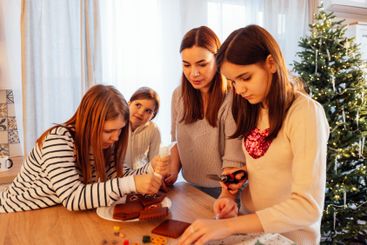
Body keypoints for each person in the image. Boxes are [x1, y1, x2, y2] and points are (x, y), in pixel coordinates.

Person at [178, 25, 329, 245]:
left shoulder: (305, 112)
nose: (239, 90)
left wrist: (227, 226)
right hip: (251, 230)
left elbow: (308, 207)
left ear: (271, 63)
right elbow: (250, 163)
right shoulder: (251, 106)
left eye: (245, 78)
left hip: (290, 238)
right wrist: (228, 195)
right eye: (233, 82)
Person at [0, 84, 168, 213]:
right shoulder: (59, 140)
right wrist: (131, 183)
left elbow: (121, 175)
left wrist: (152, 166)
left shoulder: (105, 145)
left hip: (52, 213)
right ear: (90, 124)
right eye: (109, 131)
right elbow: (73, 197)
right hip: (15, 213)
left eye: (120, 130)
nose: (116, 137)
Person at [165, 26, 245, 198]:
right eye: (186, 65)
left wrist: (227, 198)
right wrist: (171, 173)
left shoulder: (234, 98)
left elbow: (234, 159)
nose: (193, 73)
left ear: (217, 60)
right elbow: (175, 141)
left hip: (227, 191)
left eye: (202, 64)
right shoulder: (178, 95)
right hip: (189, 187)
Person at [125, 87, 161, 170]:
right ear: (129, 103)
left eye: (148, 111)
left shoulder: (154, 130)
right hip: (119, 177)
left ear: (153, 115)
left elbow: (154, 161)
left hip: (143, 175)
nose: (141, 112)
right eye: (138, 105)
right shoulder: (118, 125)